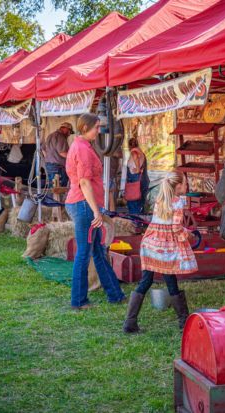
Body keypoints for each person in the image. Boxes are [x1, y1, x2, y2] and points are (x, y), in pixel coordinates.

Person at [65, 113, 126, 310]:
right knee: (84, 253)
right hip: (84, 205)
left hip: (85, 204)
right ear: (85, 128)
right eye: (96, 127)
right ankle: (79, 301)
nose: (99, 131)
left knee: (99, 250)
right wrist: (96, 211)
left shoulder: (82, 145)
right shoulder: (82, 149)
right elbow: (84, 182)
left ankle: (115, 294)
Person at [123, 171, 196, 333]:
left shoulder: (160, 199)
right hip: (164, 248)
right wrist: (188, 235)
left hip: (150, 244)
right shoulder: (178, 202)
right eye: (185, 183)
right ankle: (184, 321)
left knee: (146, 281)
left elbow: (163, 223)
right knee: (170, 280)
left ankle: (130, 322)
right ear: (178, 186)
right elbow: (176, 228)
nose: (187, 186)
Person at [44, 122, 72, 187]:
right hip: (57, 167)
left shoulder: (50, 135)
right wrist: (73, 158)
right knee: (60, 188)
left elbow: (43, 150)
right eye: (69, 132)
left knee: (51, 188)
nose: (69, 134)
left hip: (49, 166)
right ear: (65, 129)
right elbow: (62, 153)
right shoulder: (60, 137)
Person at [126, 138, 149, 214]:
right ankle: (139, 218)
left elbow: (135, 156)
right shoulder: (141, 152)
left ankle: (134, 219)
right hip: (141, 179)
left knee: (133, 201)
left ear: (129, 146)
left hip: (134, 179)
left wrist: (138, 169)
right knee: (140, 202)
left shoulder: (134, 152)